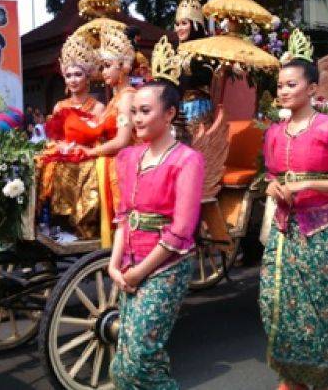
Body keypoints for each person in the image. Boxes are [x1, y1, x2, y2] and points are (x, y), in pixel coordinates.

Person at [259, 42, 328, 390]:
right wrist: (273, 188)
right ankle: (290, 375)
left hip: (323, 227)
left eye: (292, 84)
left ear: (313, 89)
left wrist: (306, 185)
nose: (284, 91)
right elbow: (271, 175)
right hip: (283, 227)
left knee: (316, 309)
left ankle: (315, 380)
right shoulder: (275, 132)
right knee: (273, 303)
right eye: (280, 85)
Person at [108, 69, 204, 389]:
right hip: (129, 263)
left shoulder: (187, 160)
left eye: (145, 111)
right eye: (134, 111)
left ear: (170, 113)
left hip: (167, 265)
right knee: (123, 362)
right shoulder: (127, 157)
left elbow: (181, 231)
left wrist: (139, 272)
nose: (137, 118)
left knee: (141, 356)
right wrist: (113, 264)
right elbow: (124, 215)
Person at [37, 33, 106, 238]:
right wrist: (61, 146)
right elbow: (54, 137)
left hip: (88, 156)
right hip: (63, 153)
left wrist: (82, 149)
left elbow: (100, 138)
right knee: (41, 164)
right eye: (69, 75)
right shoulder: (60, 106)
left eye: (78, 74)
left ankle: (82, 223)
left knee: (84, 170)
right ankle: (50, 221)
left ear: (88, 77)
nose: (73, 79)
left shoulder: (98, 107)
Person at [79, 27, 136, 247]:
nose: (103, 72)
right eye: (102, 66)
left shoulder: (126, 98)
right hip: (112, 154)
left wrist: (91, 152)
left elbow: (122, 141)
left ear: (123, 67)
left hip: (124, 158)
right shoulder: (116, 99)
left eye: (107, 66)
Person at [174, 0, 213, 128]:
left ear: (196, 25)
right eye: (177, 24)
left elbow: (207, 76)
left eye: (184, 23)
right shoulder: (174, 51)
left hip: (197, 107)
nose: (179, 28)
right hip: (177, 107)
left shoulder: (205, 50)